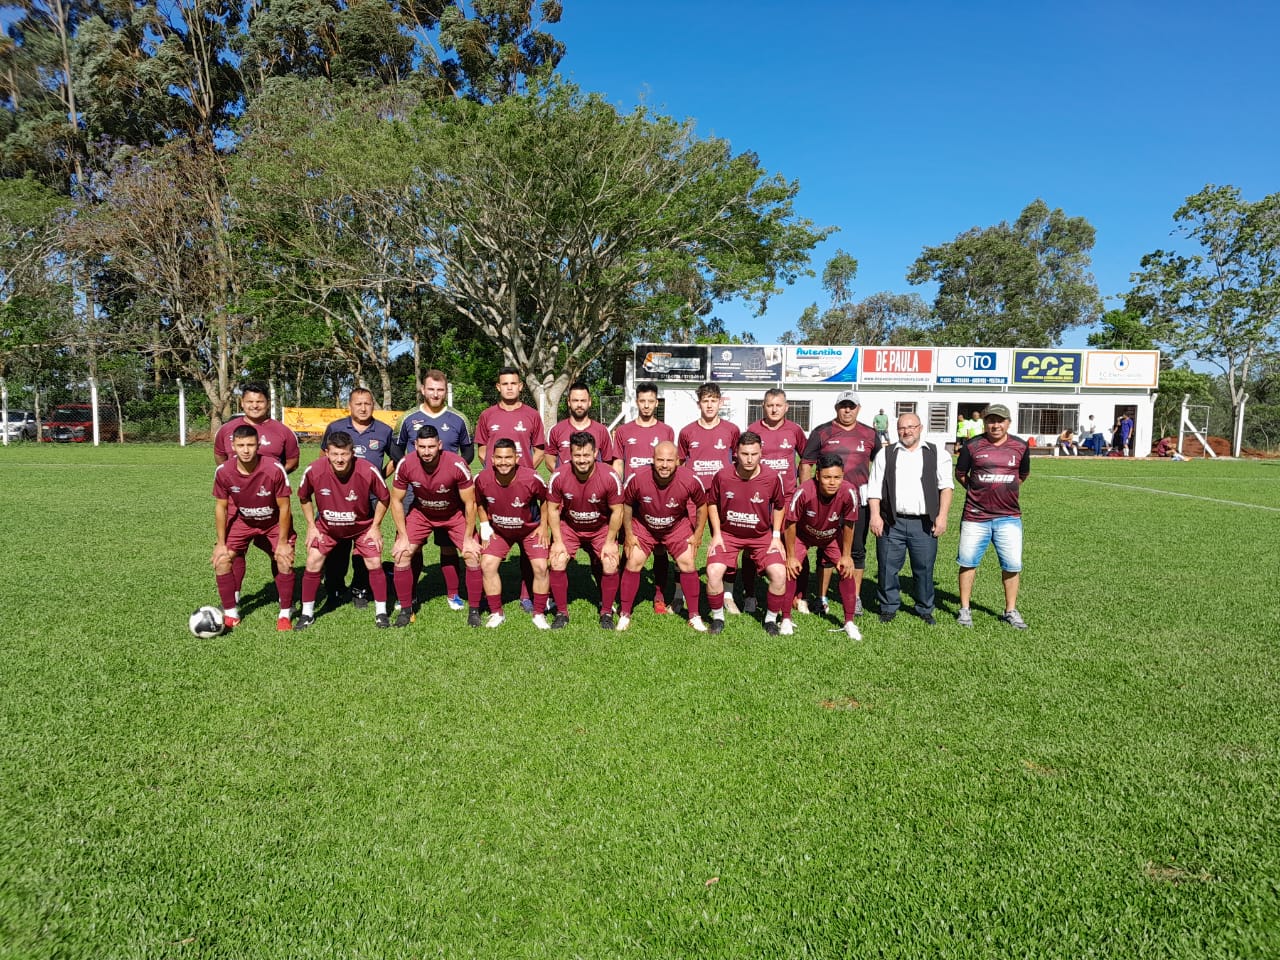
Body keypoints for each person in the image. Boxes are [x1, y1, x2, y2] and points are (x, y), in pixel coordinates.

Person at [393, 369, 475, 611]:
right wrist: (406, 468)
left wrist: (456, 471)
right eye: (431, 389)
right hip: (413, 487)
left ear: (446, 391)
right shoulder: (408, 417)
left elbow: (468, 449)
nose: (436, 394)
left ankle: (453, 593)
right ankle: (410, 593)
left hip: (450, 487)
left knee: (449, 543)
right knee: (410, 543)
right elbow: (396, 447)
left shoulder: (459, 418)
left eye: (440, 390)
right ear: (423, 390)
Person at [213, 381, 301, 600]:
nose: (254, 405)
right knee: (235, 550)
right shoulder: (225, 431)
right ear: (242, 402)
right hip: (237, 504)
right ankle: (234, 593)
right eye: (250, 401)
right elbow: (220, 460)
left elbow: (292, 461)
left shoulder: (283, 431)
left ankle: (284, 598)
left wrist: (267, 480)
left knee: (277, 550)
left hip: (271, 504)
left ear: (268, 403)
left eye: (259, 401)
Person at [295, 431, 391, 629]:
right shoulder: (314, 469)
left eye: (344, 454)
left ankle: (381, 613)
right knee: (313, 560)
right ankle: (306, 614)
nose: (340, 459)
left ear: (352, 453)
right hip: (327, 527)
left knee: (374, 560)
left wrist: (375, 527)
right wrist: (311, 527)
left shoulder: (367, 469)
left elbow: (384, 497)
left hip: (362, 527)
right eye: (335, 454)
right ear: (327, 453)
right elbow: (304, 497)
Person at [389, 426, 481, 627]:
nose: (427, 451)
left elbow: (470, 503)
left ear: (439, 445)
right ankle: (406, 609)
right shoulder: (406, 464)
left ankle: (474, 610)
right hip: (421, 513)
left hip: (453, 514)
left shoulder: (457, 464)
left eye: (431, 446)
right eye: (422, 447)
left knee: (472, 554)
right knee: (402, 553)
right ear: (415, 446)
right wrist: (403, 535)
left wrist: (467, 538)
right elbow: (395, 500)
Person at [867, 413, 953, 625]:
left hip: (924, 523)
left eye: (911, 427)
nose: (907, 431)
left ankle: (924, 608)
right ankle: (888, 606)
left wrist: (942, 517)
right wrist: (875, 515)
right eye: (902, 428)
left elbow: (946, 487)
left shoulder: (937, 453)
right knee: (887, 566)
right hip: (891, 521)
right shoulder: (885, 454)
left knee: (924, 568)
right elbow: (874, 488)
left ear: (920, 427)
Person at [474, 366, 547, 613]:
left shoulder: (532, 415)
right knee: (494, 541)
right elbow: (482, 449)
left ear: (520, 387)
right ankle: (491, 596)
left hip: (525, 489)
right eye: (504, 383)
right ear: (498, 387)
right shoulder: (487, 415)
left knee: (530, 544)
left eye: (513, 383)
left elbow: (539, 448)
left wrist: (526, 469)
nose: (509, 387)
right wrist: (492, 469)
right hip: (498, 488)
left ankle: (527, 595)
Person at [800, 391, 878, 618]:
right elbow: (806, 464)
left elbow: (880, 467)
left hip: (858, 502)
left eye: (851, 406)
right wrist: (807, 497)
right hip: (826, 503)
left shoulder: (870, 434)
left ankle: (854, 598)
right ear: (836, 408)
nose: (847, 410)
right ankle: (822, 598)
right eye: (843, 406)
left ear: (858, 409)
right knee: (825, 549)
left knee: (856, 550)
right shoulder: (822, 432)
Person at [210, 425, 296, 631]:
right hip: (243, 521)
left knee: (283, 560)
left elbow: (285, 507)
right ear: (233, 446)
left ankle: (286, 611)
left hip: (273, 522)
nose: (246, 450)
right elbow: (221, 507)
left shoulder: (274, 469)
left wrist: (283, 543)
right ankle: (231, 613)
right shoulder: (223, 471)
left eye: (250, 445)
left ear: (259, 445)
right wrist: (221, 544)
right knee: (222, 560)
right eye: (241, 445)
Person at [617, 441, 709, 633]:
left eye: (669, 460)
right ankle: (625, 613)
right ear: (652, 460)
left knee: (687, 562)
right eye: (660, 460)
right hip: (645, 526)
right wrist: (629, 533)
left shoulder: (690, 478)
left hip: (676, 526)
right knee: (633, 561)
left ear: (677, 461)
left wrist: (698, 534)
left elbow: (702, 505)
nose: (664, 465)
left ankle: (694, 616)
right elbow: (626, 505)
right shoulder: (638, 478)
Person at [955, 403, 1031, 629]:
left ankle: (1010, 610)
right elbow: (960, 474)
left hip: (1008, 517)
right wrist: (977, 491)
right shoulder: (972, 445)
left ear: (1008, 422)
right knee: (968, 563)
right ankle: (965, 609)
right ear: (985, 422)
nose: (995, 425)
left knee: (1012, 565)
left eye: (1000, 421)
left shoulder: (1020, 446)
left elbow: (1023, 474)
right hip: (975, 516)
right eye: (991, 420)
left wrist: (1003, 490)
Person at [705, 432, 789, 636]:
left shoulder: (771, 478)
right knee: (714, 572)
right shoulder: (723, 476)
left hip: (761, 537)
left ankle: (770, 620)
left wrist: (776, 536)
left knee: (779, 574)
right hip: (729, 535)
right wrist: (716, 534)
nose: (749, 459)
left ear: (761, 453)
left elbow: (779, 506)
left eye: (754, 454)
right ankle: (717, 618)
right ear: (736, 453)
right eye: (744, 454)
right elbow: (712, 503)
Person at [320, 388, 395, 607]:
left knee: (365, 545)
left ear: (373, 405)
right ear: (349, 406)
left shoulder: (384, 430)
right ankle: (334, 588)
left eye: (367, 403)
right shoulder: (336, 427)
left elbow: (396, 458)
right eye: (358, 404)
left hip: (369, 498)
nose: (363, 408)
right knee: (338, 545)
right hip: (339, 497)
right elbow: (323, 459)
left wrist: (379, 477)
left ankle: (360, 588)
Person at [469, 438, 552, 629]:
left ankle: (539, 613)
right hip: (500, 530)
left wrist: (543, 526)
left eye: (508, 457)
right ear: (492, 459)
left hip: (530, 530)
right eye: (498, 457)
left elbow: (546, 501)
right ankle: (496, 612)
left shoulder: (531, 478)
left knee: (540, 566)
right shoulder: (482, 478)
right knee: (488, 564)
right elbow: (478, 501)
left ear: (517, 458)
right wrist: (484, 524)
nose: (503, 462)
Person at [546, 432, 624, 629]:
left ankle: (606, 611)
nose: (582, 460)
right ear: (570, 454)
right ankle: (562, 612)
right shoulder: (559, 476)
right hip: (570, 527)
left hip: (600, 528)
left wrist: (610, 542)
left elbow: (618, 511)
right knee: (557, 560)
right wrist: (557, 540)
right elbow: (552, 509)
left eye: (587, 455)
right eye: (577, 456)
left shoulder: (609, 476)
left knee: (610, 563)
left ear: (595, 453)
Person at [612, 381, 678, 614]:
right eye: (642, 401)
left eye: (651, 401)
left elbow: (670, 463)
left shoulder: (666, 431)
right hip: (631, 499)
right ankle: (621, 594)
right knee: (627, 545)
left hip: (657, 498)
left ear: (656, 403)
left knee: (660, 548)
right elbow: (619, 461)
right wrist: (619, 487)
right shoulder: (623, 431)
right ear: (636, 402)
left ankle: (659, 596)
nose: (647, 405)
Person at [782, 453, 862, 640]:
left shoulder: (849, 491)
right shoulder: (804, 491)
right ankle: (785, 618)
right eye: (827, 477)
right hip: (802, 535)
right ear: (817, 475)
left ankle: (849, 622)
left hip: (831, 536)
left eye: (837, 477)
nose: (832, 482)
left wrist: (847, 555)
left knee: (846, 569)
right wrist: (792, 555)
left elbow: (850, 524)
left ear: (843, 475)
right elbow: (790, 523)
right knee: (790, 569)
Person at [745, 388, 808, 614]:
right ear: (763, 406)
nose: (774, 409)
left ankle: (798, 595)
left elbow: (806, 459)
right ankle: (751, 595)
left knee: (794, 546)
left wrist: (804, 488)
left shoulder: (794, 430)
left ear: (786, 407)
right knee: (752, 546)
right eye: (770, 405)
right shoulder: (753, 430)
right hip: (759, 500)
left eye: (778, 405)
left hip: (788, 498)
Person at [679, 382, 740, 610]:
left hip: (723, 497)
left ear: (720, 402)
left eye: (714, 400)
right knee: (686, 542)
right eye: (705, 400)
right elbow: (680, 465)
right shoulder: (687, 432)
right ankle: (681, 593)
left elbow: (737, 462)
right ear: (699, 404)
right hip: (693, 499)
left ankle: (728, 595)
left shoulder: (732, 430)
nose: (710, 405)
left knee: (727, 542)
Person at [548, 380, 615, 469]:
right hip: (566, 482)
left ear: (589, 402)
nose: (579, 405)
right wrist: (564, 477)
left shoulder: (602, 430)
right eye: (575, 400)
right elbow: (549, 460)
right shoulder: (556, 430)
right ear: (569, 402)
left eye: (583, 400)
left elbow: (608, 463)